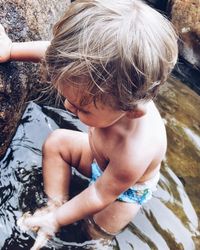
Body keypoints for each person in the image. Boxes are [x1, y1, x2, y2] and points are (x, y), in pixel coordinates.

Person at [0, 0, 178, 248]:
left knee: (94, 231)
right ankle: (54, 205)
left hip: (123, 192)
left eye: (81, 108)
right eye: (68, 98)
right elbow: (53, 54)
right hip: (97, 155)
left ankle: (83, 233)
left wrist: (63, 222)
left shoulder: (135, 151)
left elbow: (99, 194)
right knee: (56, 143)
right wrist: (10, 49)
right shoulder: (102, 89)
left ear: (130, 111)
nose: (67, 106)